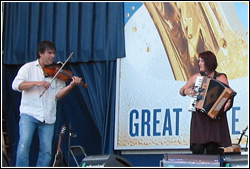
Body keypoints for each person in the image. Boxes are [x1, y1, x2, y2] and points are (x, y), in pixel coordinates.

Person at [12, 40, 82, 167]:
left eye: (54, 53)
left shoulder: (57, 71)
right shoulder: (28, 68)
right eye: (49, 53)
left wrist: (71, 85)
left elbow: (57, 95)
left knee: (46, 152)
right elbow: (16, 85)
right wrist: (36, 83)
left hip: (48, 116)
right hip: (29, 114)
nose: (53, 56)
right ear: (40, 53)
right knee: (23, 146)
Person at [179, 51, 233, 155]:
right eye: (199, 61)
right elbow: (182, 90)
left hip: (214, 118)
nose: (199, 63)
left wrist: (227, 103)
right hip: (199, 118)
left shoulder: (221, 77)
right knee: (197, 148)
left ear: (209, 62)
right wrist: (187, 91)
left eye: (202, 61)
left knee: (212, 148)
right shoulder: (196, 78)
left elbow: (227, 95)